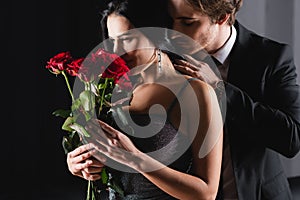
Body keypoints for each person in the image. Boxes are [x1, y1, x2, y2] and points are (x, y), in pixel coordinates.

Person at [67, 0, 223, 199]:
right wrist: (81, 164)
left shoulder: (194, 93)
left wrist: (134, 158)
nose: (118, 52)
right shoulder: (109, 88)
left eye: (129, 39)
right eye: (113, 42)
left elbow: (207, 193)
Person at [167, 0, 300, 199]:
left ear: (222, 17)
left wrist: (221, 89)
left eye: (188, 23)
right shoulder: (168, 59)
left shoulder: (272, 57)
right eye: (173, 20)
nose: (175, 32)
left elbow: (292, 139)